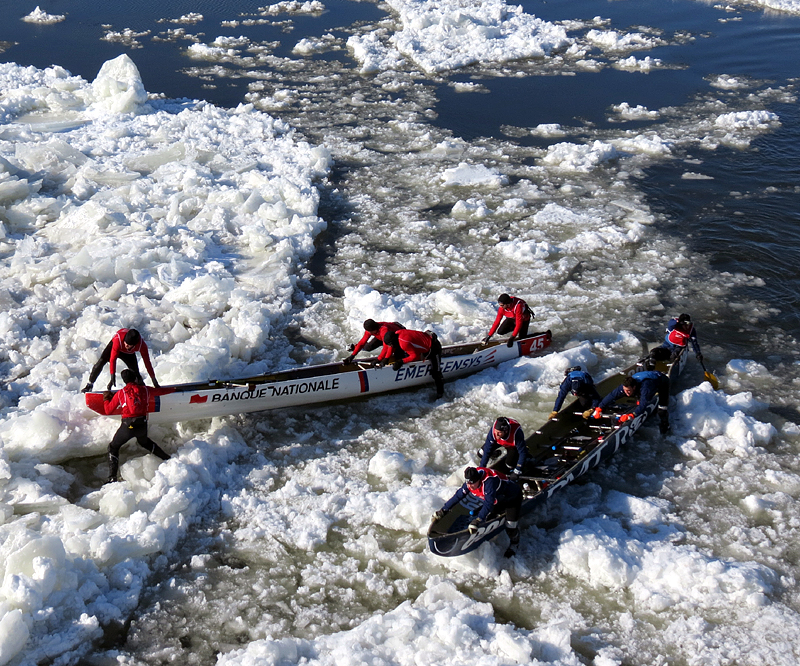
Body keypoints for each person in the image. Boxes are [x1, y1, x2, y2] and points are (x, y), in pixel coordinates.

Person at [102, 369, 171, 483]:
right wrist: (176, 389)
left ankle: (112, 478)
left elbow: (108, 410)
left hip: (128, 427)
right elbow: (161, 392)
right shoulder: (145, 390)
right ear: (135, 378)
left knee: (113, 447)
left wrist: (106, 399)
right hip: (142, 425)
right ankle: (167, 459)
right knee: (145, 442)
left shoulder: (121, 393)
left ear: (124, 381)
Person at [432, 466, 522, 553]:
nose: (470, 487)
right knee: (489, 515)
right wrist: (444, 510)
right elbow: (458, 496)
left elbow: (488, 503)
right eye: (468, 483)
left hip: (512, 497)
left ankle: (515, 544)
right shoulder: (470, 481)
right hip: (497, 498)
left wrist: (478, 519)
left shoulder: (489, 482)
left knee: (511, 525)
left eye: (472, 484)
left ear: (479, 480)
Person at [591, 369, 670, 434]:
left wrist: (632, 415)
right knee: (638, 401)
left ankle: (665, 425)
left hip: (661, 382)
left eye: (628, 391)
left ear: (634, 387)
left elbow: (644, 404)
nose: (626, 393)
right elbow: (611, 396)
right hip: (644, 382)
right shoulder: (624, 387)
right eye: (625, 390)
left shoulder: (646, 388)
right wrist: (600, 407)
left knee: (661, 409)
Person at [83, 328, 159, 392]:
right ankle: (89, 385)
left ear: (134, 345)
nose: (126, 345)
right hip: (115, 347)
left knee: (135, 373)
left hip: (129, 353)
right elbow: (113, 359)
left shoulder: (142, 346)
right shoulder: (118, 340)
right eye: (125, 343)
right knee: (101, 362)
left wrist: (153, 379)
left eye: (128, 345)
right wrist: (113, 376)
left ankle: (142, 390)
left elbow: (147, 363)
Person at [382, 329, 444, 398]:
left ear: (393, 341)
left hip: (433, 347)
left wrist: (401, 362)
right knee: (400, 352)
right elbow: (391, 347)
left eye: (391, 344)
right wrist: (385, 359)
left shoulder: (404, 343)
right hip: (424, 341)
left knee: (436, 373)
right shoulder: (397, 332)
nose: (391, 346)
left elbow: (415, 356)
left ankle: (440, 393)